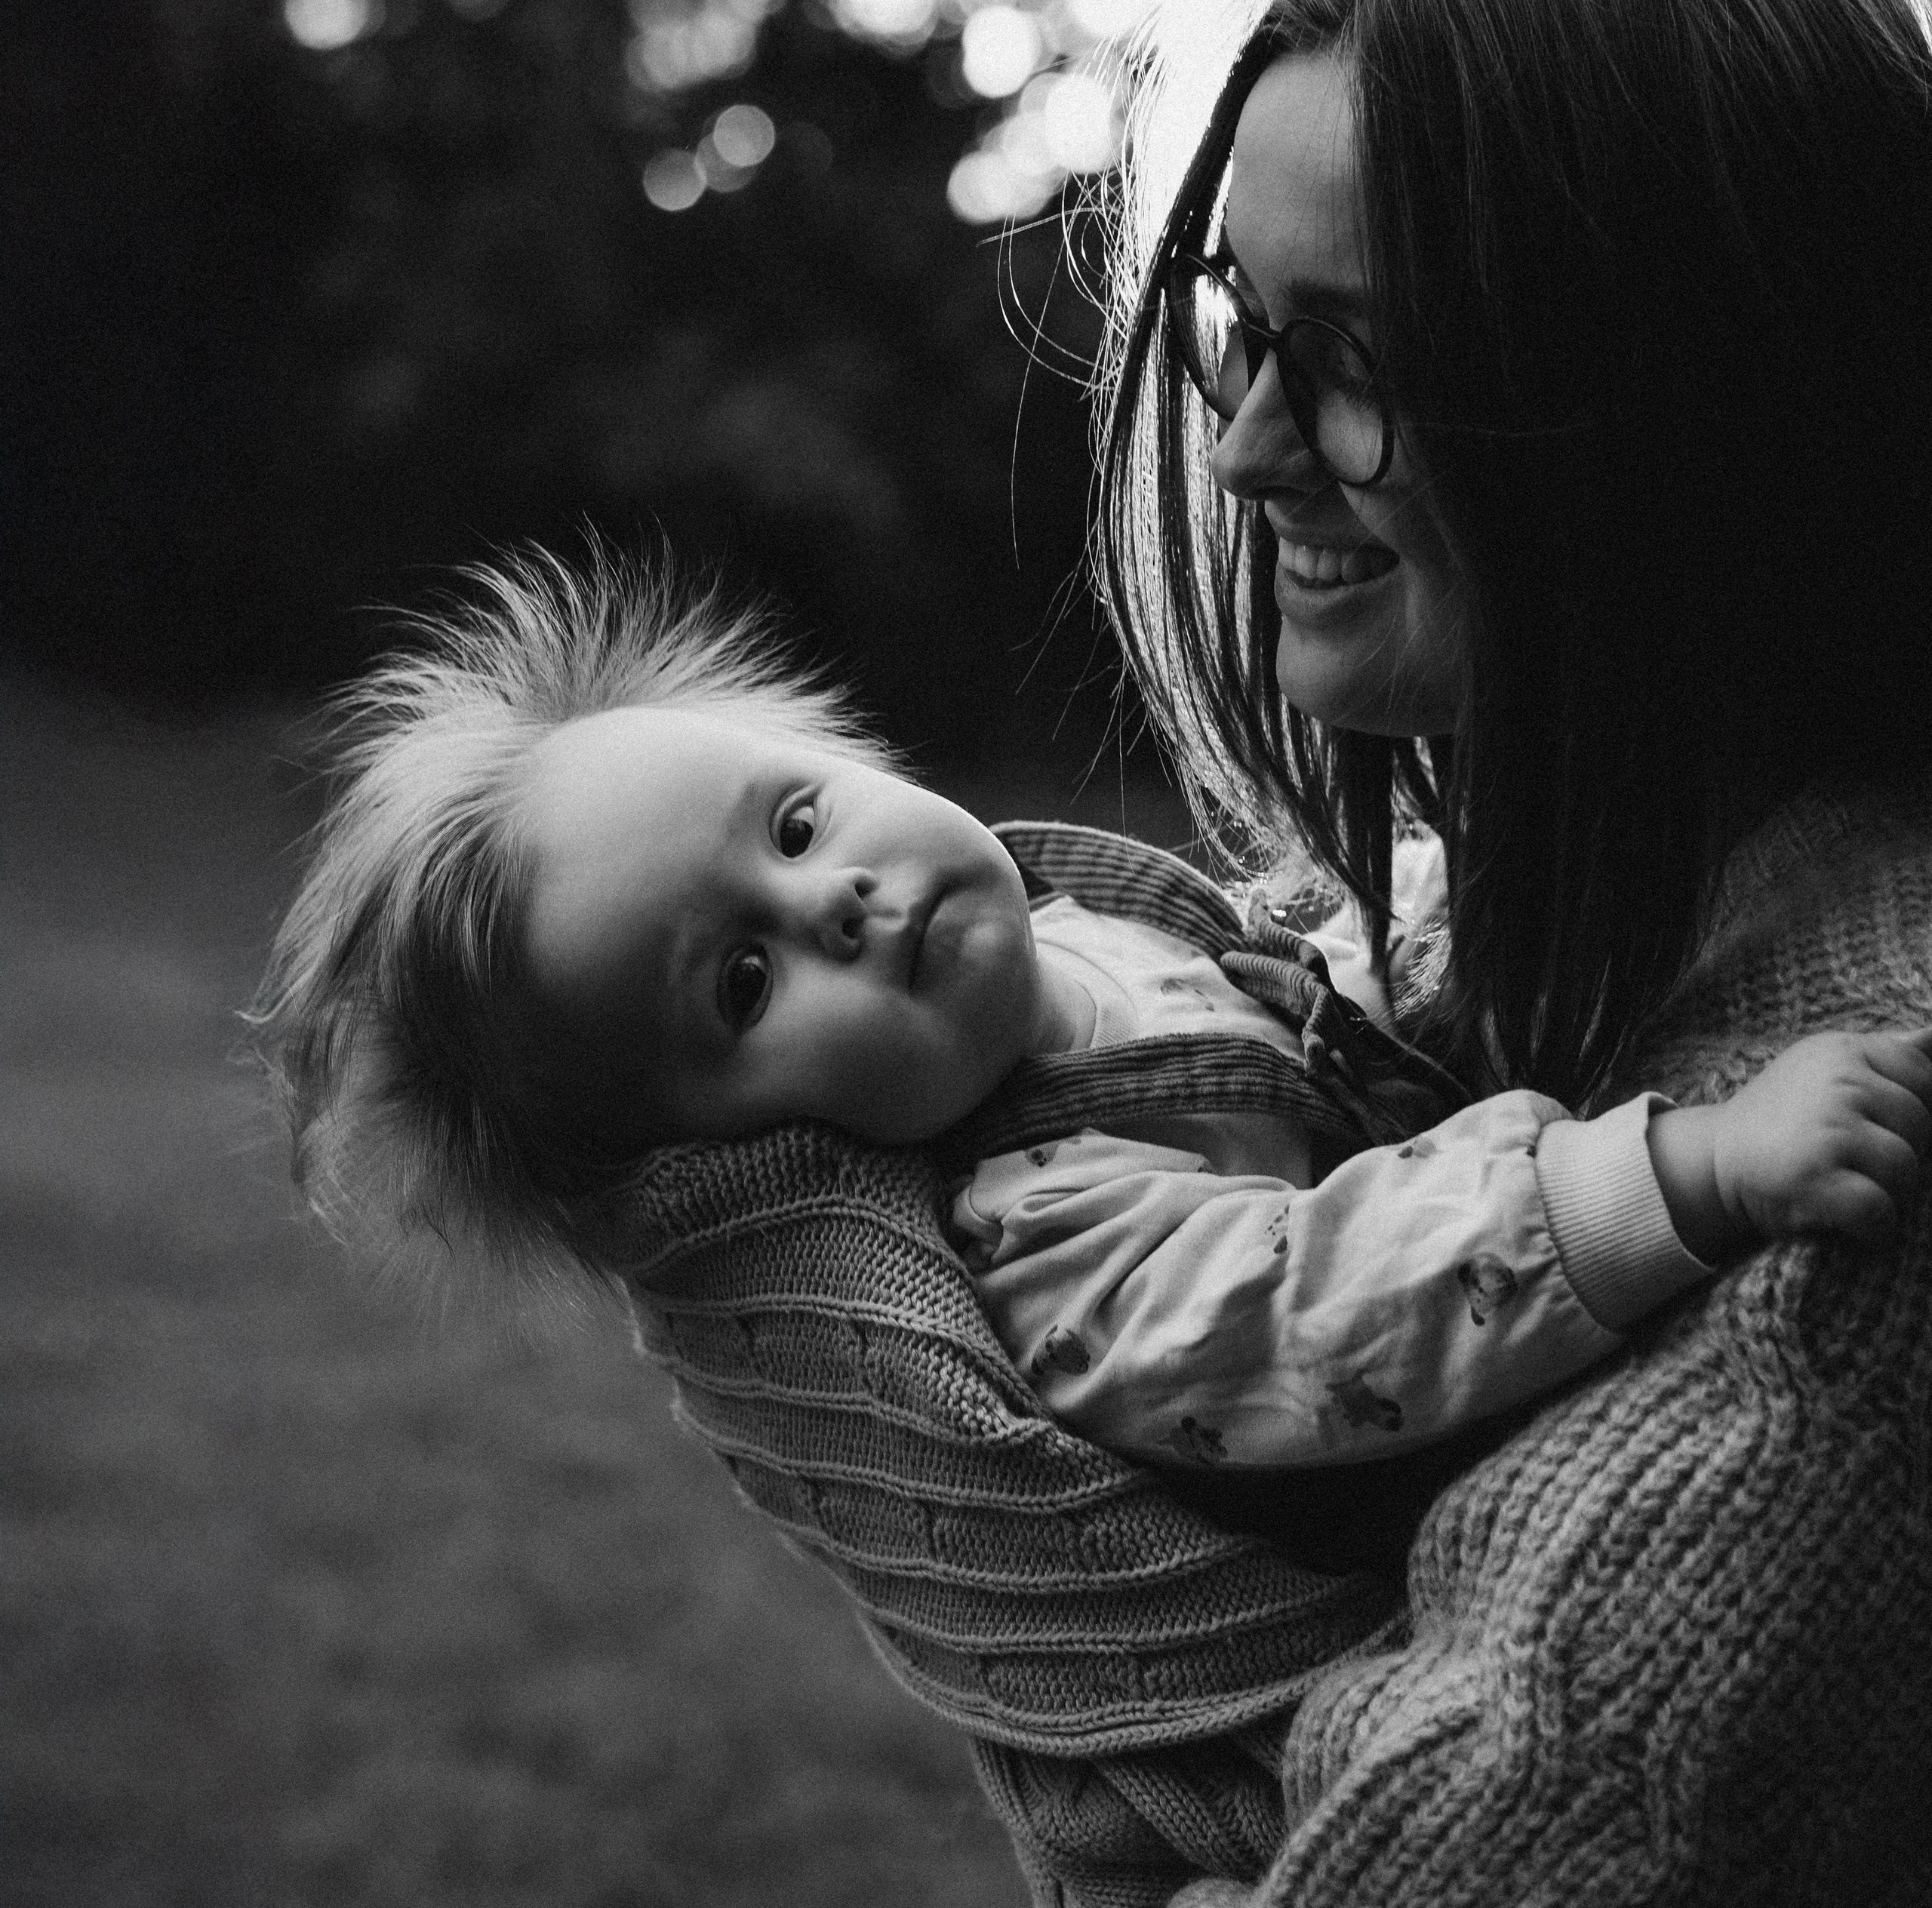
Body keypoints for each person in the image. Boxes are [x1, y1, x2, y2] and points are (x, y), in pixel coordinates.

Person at [1088, 0, 1932, 1908]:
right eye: (1237, 320)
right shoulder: (1489, 953)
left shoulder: (1847, 1210)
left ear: (1687, 409)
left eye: (1366, 353)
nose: (1256, 445)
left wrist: (1127, 1891)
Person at [253, 548, 1930, 1485]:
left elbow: (1327, 977)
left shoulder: (1099, 935)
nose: (827, 899)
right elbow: (1330, 1308)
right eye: (741, 983)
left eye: (792, 823)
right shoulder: (1044, 1235)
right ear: (732, 1156)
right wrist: (1693, 1171)